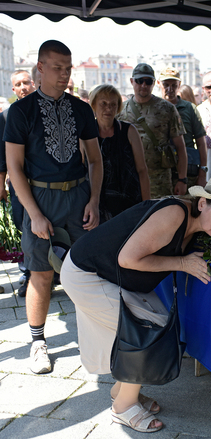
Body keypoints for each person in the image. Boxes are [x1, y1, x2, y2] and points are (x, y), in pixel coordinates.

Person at [60, 174, 211, 433]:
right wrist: (182, 263)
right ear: (203, 203)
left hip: (112, 275)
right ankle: (122, 409)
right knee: (149, 328)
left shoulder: (197, 227)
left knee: (159, 322)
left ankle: (121, 391)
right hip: (87, 273)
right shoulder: (174, 214)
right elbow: (128, 259)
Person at [4, 40, 103, 374]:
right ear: (40, 68)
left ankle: (96, 335)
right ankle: (37, 342)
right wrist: (33, 213)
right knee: (41, 273)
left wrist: (94, 200)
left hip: (78, 196)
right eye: (57, 67)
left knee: (87, 269)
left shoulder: (80, 108)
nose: (64, 74)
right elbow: (14, 168)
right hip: (39, 198)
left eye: (68, 67)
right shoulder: (20, 111)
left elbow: (94, 159)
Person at [118, 63, 188, 198]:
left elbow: (180, 147)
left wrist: (182, 179)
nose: (144, 85)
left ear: (154, 83)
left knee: (160, 216)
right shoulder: (121, 109)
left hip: (159, 180)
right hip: (129, 178)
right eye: (139, 81)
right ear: (132, 81)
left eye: (148, 81)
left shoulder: (167, 109)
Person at [0, 70, 37, 297]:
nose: (23, 87)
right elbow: (2, 156)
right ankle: (28, 274)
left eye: (26, 82)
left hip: (44, 182)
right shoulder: (5, 117)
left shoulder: (42, 110)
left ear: (33, 84)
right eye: (18, 84)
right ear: (13, 89)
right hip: (17, 184)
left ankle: (52, 271)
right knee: (23, 225)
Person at [89, 84, 150, 221]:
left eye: (113, 104)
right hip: (98, 206)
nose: (108, 108)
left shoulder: (129, 131)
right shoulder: (87, 134)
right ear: (93, 105)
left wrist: (146, 205)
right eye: (103, 103)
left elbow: (142, 170)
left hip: (130, 203)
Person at [158, 67, 207, 187]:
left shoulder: (189, 108)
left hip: (188, 172)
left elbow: (201, 142)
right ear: (159, 84)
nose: (170, 89)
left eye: (174, 85)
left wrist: (203, 172)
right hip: (162, 173)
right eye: (166, 85)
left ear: (179, 85)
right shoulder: (155, 108)